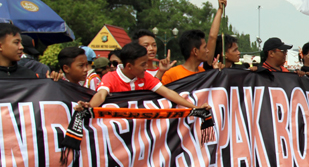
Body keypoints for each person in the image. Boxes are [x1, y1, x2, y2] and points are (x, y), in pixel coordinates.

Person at [75, 42, 210, 112]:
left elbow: (168, 93)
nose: (146, 68)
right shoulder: (110, 78)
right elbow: (100, 95)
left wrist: (194, 108)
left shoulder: (145, 77)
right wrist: (89, 107)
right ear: (129, 66)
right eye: (143, 64)